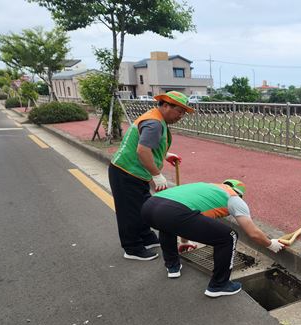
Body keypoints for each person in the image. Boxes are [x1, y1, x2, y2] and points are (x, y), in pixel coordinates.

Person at [141, 179, 286, 297]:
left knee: (166, 226)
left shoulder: (207, 187)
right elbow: (253, 233)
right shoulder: (234, 198)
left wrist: (185, 240)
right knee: (229, 237)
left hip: (150, 206)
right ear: (239, 193)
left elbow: (183, 215)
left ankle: (172, 266)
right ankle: (219, 285)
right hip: (173, 212)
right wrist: (270, 244)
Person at [108, 91, 194, 261]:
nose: (181, 116)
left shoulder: (156, 119)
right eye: (179, 111)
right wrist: (157, 174)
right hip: (126, 172)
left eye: (184, 112)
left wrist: (165, 155)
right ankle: (132, 247)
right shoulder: (154, 123)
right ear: (166, 105)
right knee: (130, 212)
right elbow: (143, 150)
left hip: (135, 173)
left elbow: (148, 144)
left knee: (143, 207)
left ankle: (146, 237)